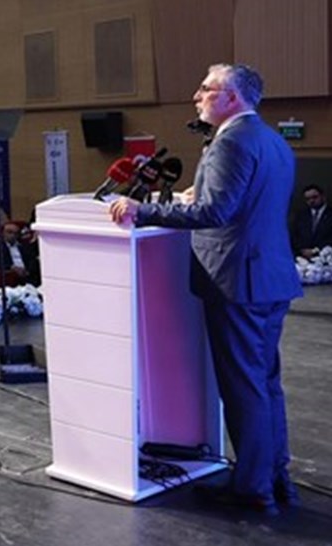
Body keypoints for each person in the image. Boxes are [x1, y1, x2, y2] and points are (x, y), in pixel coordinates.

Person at [109, 62, 302, 515]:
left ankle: (253, 487)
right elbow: (243, 202)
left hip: (237, 281)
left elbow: (215, 215)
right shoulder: (272, 140)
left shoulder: (230, 142)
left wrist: (143, 210)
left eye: (206, 89)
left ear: (231, 97)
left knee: (244, 388)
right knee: (265, 383)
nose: (197, 96)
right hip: (269, 277)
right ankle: (276, 477)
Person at [288, 184, 332, 257]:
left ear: (323, 196)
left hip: (327, 257)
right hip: (303, 258)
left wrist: (316, 250)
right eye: (308, 199)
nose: (311, 201)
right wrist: (302, 250)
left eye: (315, 197)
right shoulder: (301, 216)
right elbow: (294, 236)